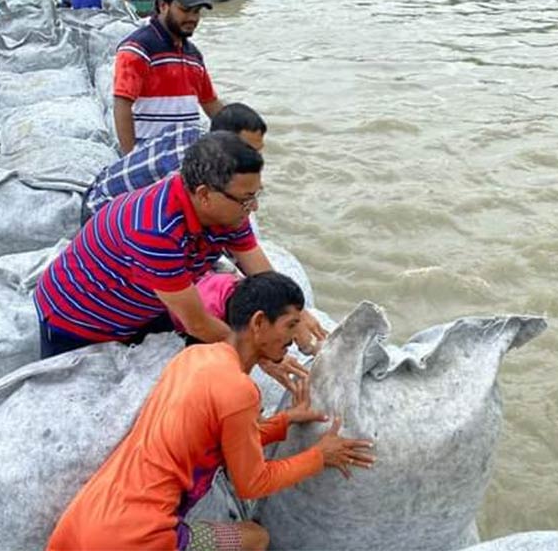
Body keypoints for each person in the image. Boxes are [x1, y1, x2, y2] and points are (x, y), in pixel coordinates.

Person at [46, 272, 375, 551]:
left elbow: (219, 436)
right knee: (255, 538)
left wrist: (285, 421)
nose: (293, 338)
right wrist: (319, 455)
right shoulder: (240, 390)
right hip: (140, 537)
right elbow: (253, 483)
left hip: (84, 520)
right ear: (259, 322)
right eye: (290, 325)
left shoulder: (192, 358)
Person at [33, 131, 327, 375]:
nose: (254, 208)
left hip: (147, 303)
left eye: (257, 195)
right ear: (203, 195)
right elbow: (196, 322)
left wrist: (296, 314)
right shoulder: (155, 230)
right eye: (247, 199)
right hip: (76, 319)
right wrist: (258, 355)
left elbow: (257, 267)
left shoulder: (229, 213)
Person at [82, 102, 267, 221]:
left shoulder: (192, 132)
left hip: (98, 188)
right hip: (100, 213)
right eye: (248, 150)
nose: (255, 159)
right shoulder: (194, 169)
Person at [114, 0, 224, 153]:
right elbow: (122, 106)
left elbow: (210, 103)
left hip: (185, 160)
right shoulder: (137, 49)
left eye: (197, 12)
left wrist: (240, 130)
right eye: (185, 10)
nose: (193, 18)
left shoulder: (193, 55)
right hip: (148, 158)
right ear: (163, 5)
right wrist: (130, 160)